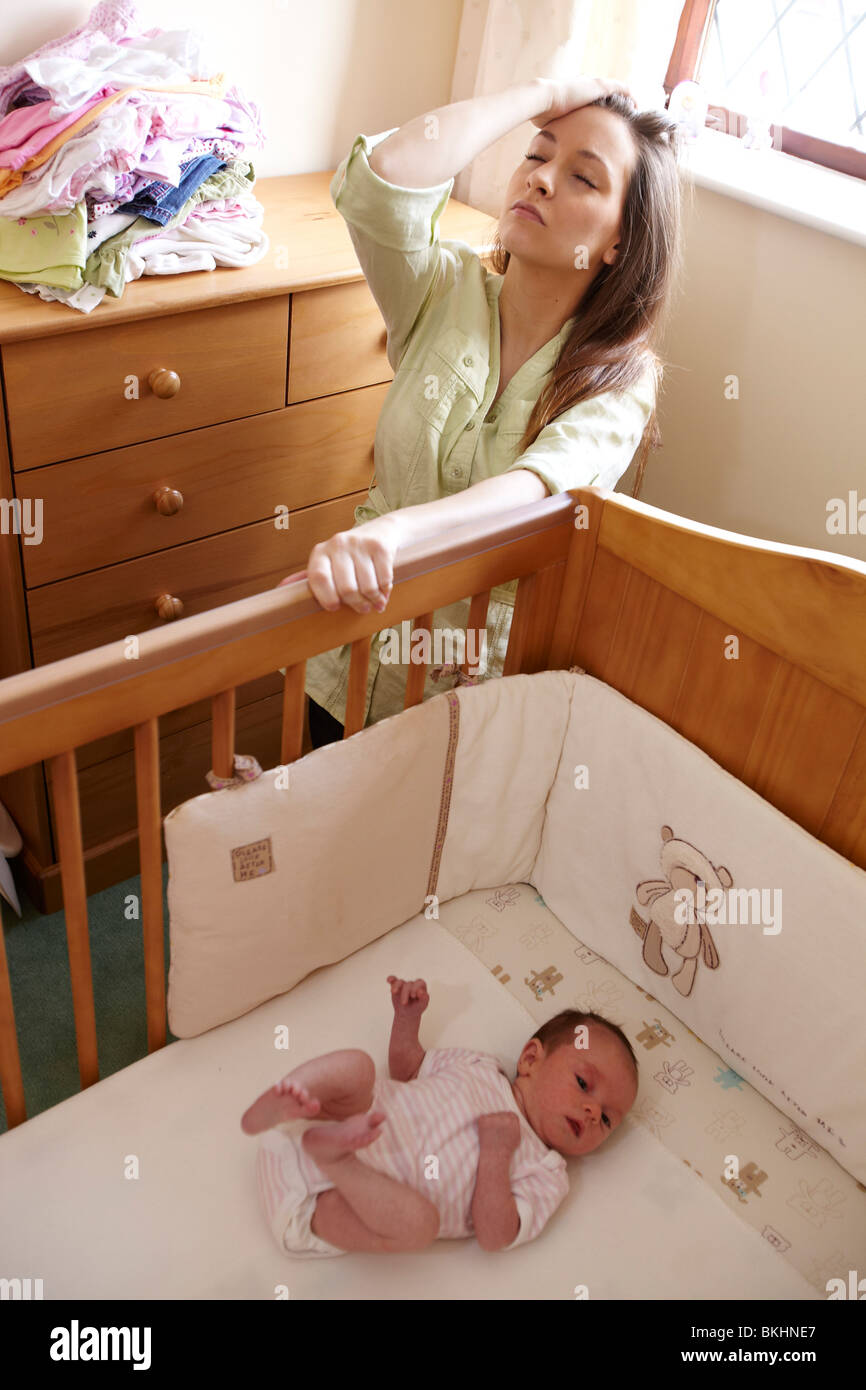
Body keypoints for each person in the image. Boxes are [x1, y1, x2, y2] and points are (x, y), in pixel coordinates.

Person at [279, 76, 683, 746]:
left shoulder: (619, 384)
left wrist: (394, 535)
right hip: (350, 655)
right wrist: (543, 92)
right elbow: (383, 181)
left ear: (619, 241)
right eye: (537, 156)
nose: (543, 180)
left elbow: (530, 492)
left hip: (470, 697)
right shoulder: (441, 291)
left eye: (583, 178)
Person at [243, 977, 639, 1256]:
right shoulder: (479, 1066)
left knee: (420, 1225)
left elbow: (495, 1235)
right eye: (585, 1084)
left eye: (607, 1120)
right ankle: (287, 1098)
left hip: (331, 1204)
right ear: (532, 1059)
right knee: (359, 1067)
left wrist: (497, 1155)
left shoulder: (547, 1172)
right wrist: (406, 1020)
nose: (592, 1113)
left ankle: (338, 1159)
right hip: (331, 1122)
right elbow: (407, 1068)